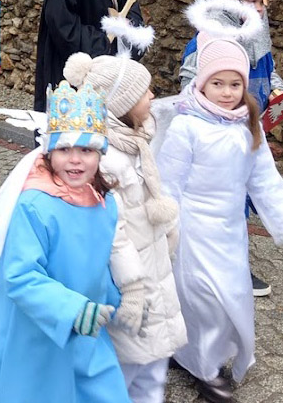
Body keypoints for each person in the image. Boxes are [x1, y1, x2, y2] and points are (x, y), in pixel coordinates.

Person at [156, 4, 283, 403]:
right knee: (200, 297)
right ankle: (205, 368)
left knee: (232, 297)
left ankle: (198, 352)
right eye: (218, 84)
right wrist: (163, 227)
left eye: (234, 85)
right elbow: (168, 181)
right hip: (192, 229)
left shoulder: (247, 125)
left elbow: (264, 179)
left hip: (228, 231)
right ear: (202, 84)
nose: (226, 93)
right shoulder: (188, 125)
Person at [0, 82, 127, 403]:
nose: (75, 160)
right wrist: (73, 310)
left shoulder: (104, 202)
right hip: (40, 332)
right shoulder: (35, 207)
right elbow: (20, 276)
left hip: (87, 333)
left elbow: (98, 261)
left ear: (100, 153)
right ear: (49, 152)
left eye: (86, 150)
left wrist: (118, 299)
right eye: (65, 149)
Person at [62, 48, 187, 403]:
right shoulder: (107, 160)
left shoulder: (135, 142)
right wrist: (131, 285)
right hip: (131, 277)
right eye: (143, 91)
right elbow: (112, 231)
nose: (152, 96)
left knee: (154, 361)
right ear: (120, 103)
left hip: (154, 264)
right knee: (129, 367)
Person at [179, 0, 283, 298]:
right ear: (231, 3)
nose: (255, 8)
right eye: (247, 1)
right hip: (218, 135)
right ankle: (228, 270)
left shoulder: (259, 36)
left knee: (243, 199)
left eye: (259, 1)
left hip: (249, 131)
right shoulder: (209, 38)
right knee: (225, 203)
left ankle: (224, 266)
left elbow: (269, 70)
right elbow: (188, 83)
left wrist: (278, 87)